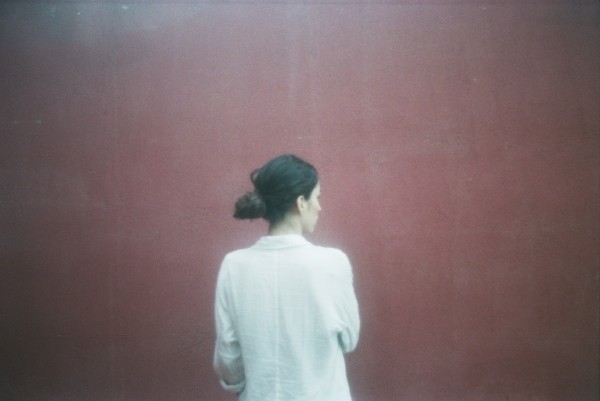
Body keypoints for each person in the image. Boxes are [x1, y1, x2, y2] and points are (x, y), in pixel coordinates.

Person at [213, 154, 360, 401]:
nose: (319, 207)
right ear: (301, 202)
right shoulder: (333, 263)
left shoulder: (233, 265)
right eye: (317, 197)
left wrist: (244, 386)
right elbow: (349, 340)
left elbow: (228, 354)